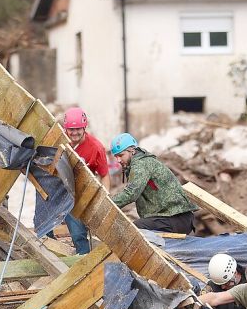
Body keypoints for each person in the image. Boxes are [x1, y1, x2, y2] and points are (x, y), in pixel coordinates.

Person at [109, 133, 197, 234]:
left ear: (132, 151)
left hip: (176, 218)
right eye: (116, 156)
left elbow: (131, 193)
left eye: (121, 155)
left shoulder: (141, 164)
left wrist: (107, 204)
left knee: (136, 230)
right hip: (170, 217)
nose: (118, 160)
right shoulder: (140, 162)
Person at [62, 107, 109, 254]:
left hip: (80, 193)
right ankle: (50, 255)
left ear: (84, 127)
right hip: (59, 188)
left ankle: (83, 258)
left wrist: (103, 198)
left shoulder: (96, 147)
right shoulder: (60, 142)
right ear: (65, 129)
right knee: (45, 226)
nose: (74, 133)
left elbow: (104, 175)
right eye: (71, 129)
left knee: (77, 233)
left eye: (78, 129)